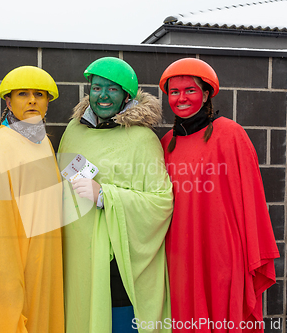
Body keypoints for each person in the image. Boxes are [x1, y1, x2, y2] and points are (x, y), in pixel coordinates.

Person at [159, 58, 280, 333]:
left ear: (206, 94)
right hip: (178, 255)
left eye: (189, 90)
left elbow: (252, 198)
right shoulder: (167, 143)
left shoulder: (231, 134)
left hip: (222, 253)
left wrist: (251, 252)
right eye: (174, 92)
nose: (181, 98)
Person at [58, 57, 173, 333]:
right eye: (97, 88)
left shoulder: (142, 139)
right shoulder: (74, 131)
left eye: (113, 89)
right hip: (76, 257)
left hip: (116, 265)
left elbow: (161, 201)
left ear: (126, 95)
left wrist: (104, 195)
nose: (103, 96)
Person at [0, 66, 65, 333]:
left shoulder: (44, 143)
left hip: (45, 266)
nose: (32, 100)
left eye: (39, 94)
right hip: (14, 269)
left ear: (47, 103)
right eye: (23, 94)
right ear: (8, 102)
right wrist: (8, 288)